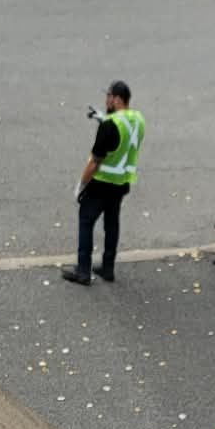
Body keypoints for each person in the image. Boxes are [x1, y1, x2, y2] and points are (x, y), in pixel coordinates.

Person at [61, 78, 145, 287]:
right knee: (112, 223)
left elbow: (95, 161)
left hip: (102, 183)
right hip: (122, 183)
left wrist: (81, 185)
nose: (106, 99)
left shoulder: (110, 125)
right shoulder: (138, 119)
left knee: (86, 221)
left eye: (108, 96)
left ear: (117, 99)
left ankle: (83, 271)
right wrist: (103, 118)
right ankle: (108, 268)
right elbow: (123, 135)